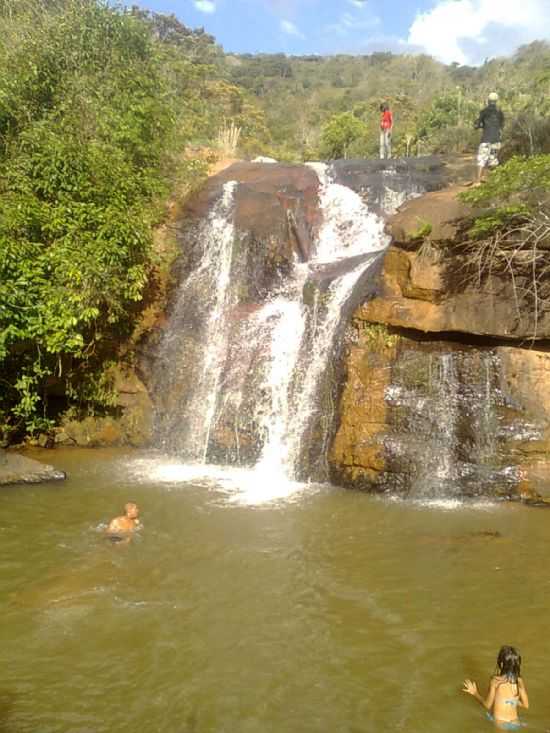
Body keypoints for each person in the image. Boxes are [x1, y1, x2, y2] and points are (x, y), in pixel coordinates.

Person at [463, 645, 529, 729]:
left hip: (500, 723)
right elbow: (526, 705)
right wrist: (512, 701)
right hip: (515, 722)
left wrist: (475, 693)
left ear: (501, 664)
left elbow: (487, 705)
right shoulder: (519, 681)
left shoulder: (495, 681)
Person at [474, 92, 505, 183]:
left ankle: (478, 182)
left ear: (488, 101)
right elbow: (501, 126)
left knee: (481, 160)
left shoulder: (484, 112)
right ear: (496, 101)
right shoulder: (500, 112)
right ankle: (494, 182)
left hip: (486, 139)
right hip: (496, 140)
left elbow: (477, 125)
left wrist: (480, 126)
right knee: (493, 160)